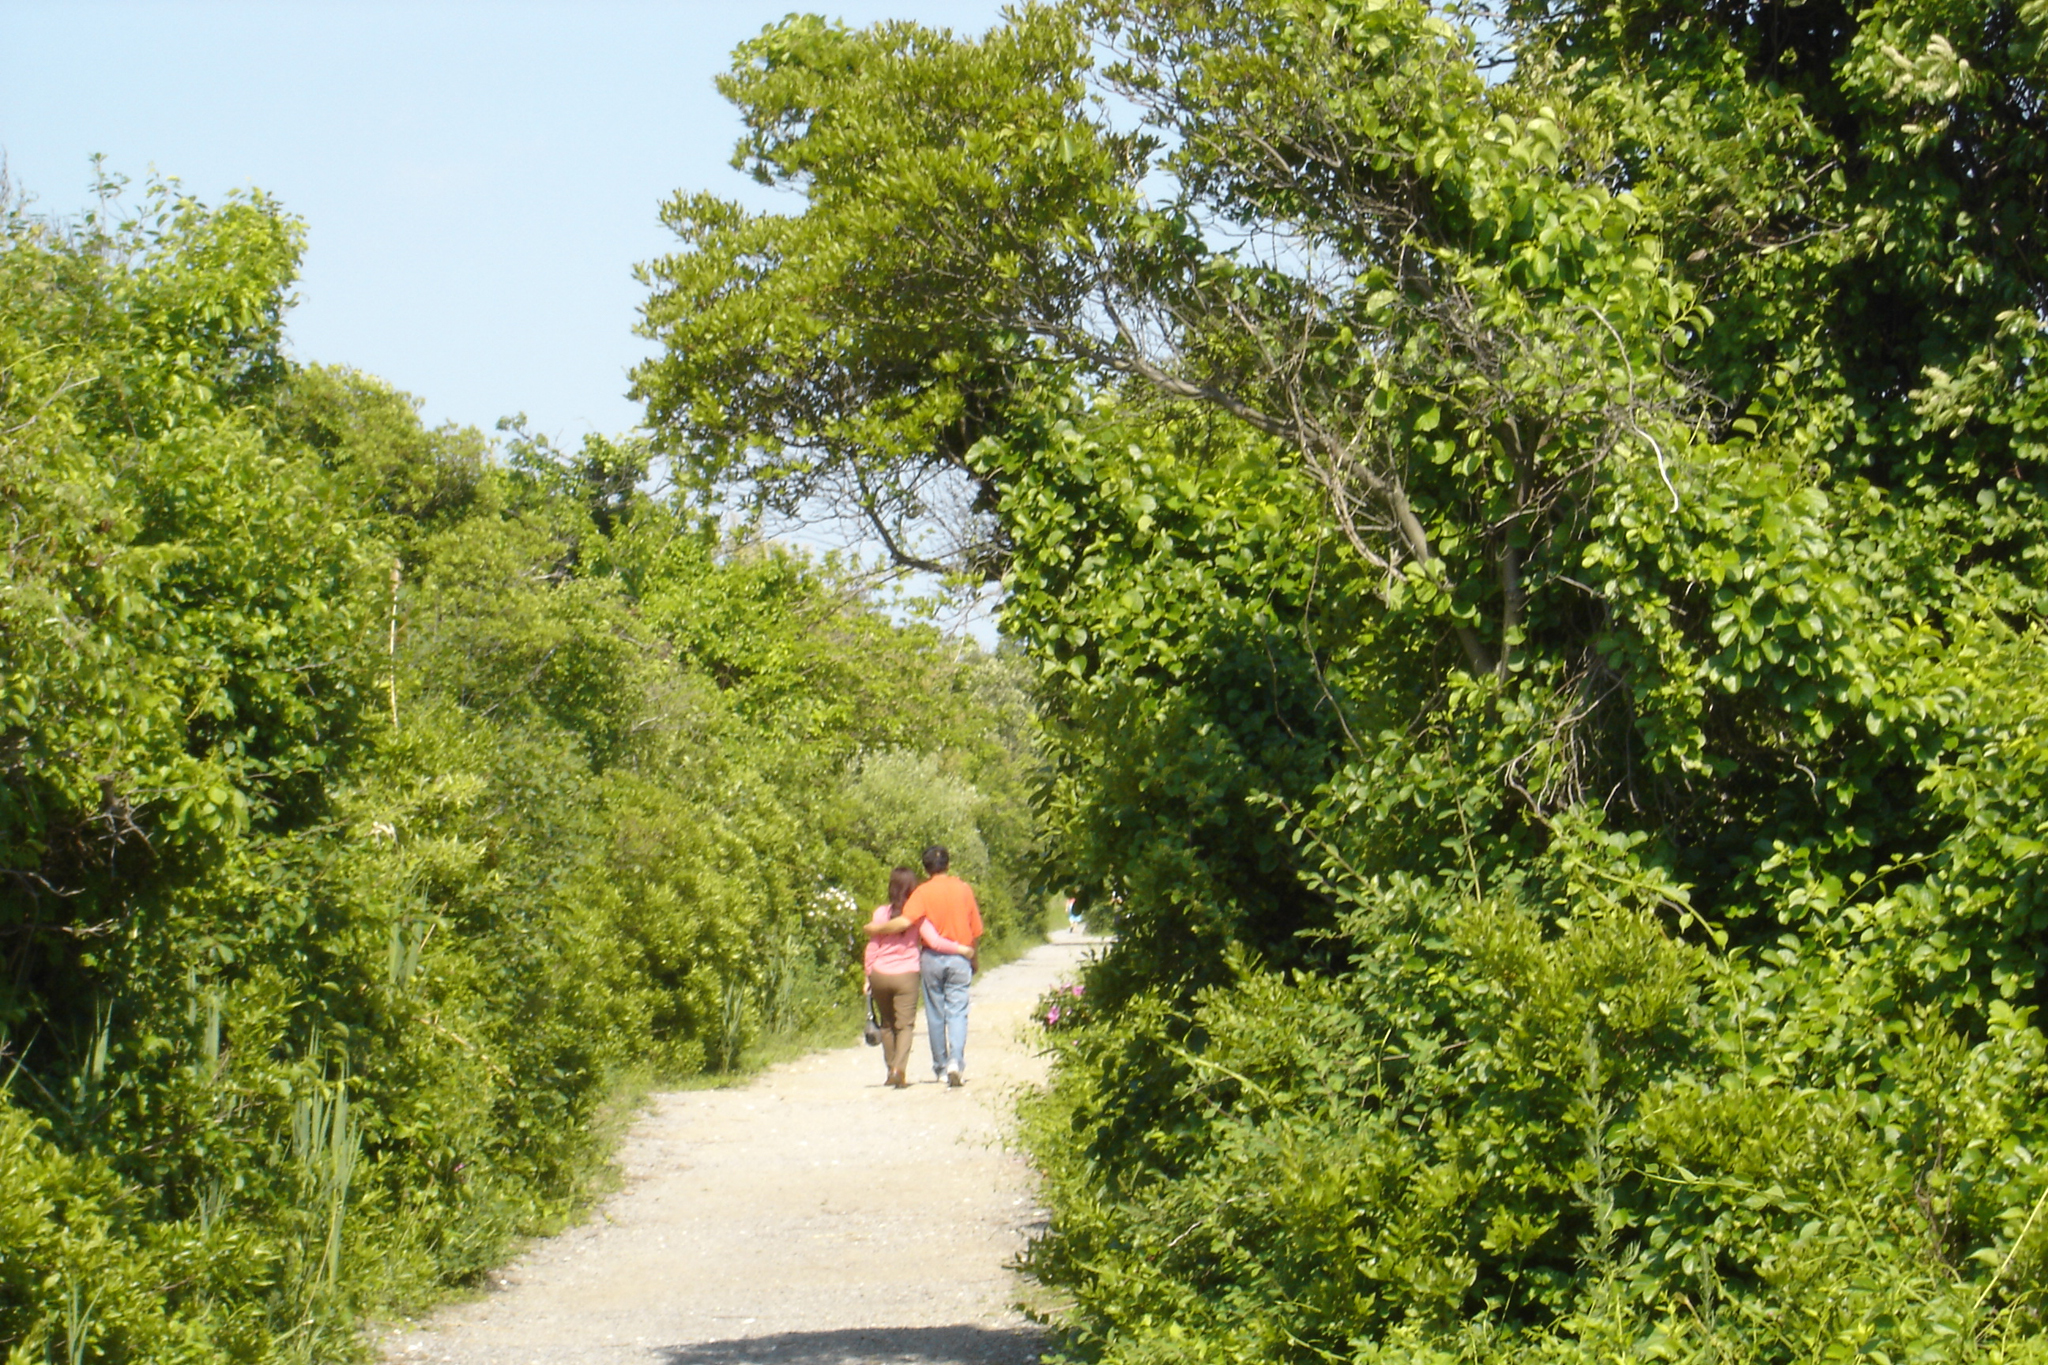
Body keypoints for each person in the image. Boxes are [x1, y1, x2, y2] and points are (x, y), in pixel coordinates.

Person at [870, 845, 982, 1087]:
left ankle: (941, 1067)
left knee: (935, 1012)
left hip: (931, 958)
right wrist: (974, 957)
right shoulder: (964, 889)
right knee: (958, 1011)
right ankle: (956, 1062)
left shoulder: (921, 892)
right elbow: (975, 929)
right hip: (960, 956)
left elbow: (904, 921)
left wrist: (875, 929)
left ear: (926, 867)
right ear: (948, 865)